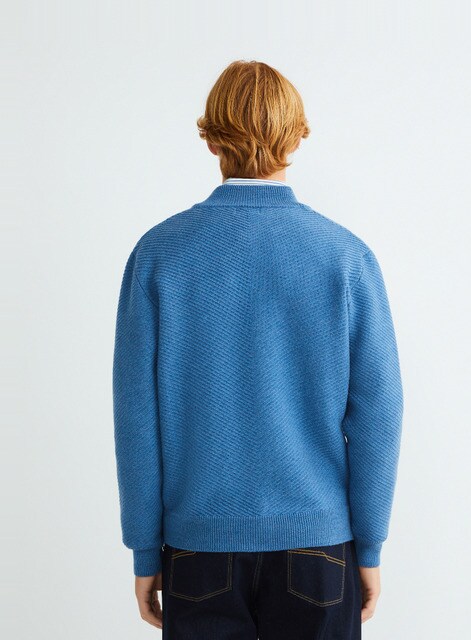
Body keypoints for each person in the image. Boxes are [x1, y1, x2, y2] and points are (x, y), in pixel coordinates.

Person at [112, 59, 404, 640]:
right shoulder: (344, 256)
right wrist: (368, 545)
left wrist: (145, 550)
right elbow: (378, 414)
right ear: (296, 138)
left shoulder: (159, 254)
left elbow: (137, 417)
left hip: (198, 549)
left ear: (210, 138)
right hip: (319, 549)